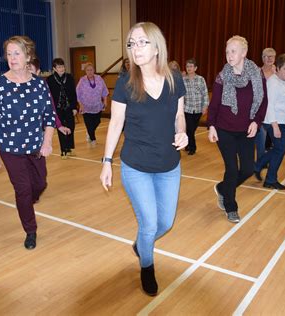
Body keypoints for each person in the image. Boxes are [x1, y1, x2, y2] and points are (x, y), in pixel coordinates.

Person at [100, 22, 187, 296]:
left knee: (166, 223)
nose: (135, 48)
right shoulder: (126, 83)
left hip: (169, 166)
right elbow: (115, 124)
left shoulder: (175, 79)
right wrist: (106, 162)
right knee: (149, 223)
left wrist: (182, 131)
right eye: (131, 43)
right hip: (136, 166)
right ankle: (147, 266)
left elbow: (179, 115)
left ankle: (142, 244)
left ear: (156, 45)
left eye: (141, 42)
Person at [0, 35, 56, 250]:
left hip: (36, 147)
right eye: (9, 54)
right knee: (23, 189)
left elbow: (49, 116)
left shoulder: (40, 84)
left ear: (28, 56)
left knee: (40, 183)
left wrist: (47, 141)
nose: (12, 58)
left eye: (17, 53)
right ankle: (30, 230)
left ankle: (28, 201)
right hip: (9, 148)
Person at [207, 35, 268, 223]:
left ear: (244, 53)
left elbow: (263, 101)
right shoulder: (222, 76)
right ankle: (230, 206)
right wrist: (211, 126)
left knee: (248, 169)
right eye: (227, 51)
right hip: (224, 129)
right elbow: (215, 104)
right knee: (232, 169)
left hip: (246, 130)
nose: (229, 55)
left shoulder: (257, 75)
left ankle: (224, 188)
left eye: (233, 51)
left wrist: (256, 121)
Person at [254, 54, 285, 190]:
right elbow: (269, 105)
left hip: (282, 121)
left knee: (279, 149)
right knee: (281, 149)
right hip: (272, 120)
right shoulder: (272, 82)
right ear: (277, 68)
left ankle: (259, 168)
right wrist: (275, 125)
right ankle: (269, 178)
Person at [46, 58, 77, 158]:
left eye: (62, 66)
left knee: (71, 126)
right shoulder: (50, 80)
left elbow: (73, 93)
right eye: (59, 67)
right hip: (57, 108)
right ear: (54, 68)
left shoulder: (69, 77)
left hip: (68, 107)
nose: (62, 68)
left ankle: (69, 147)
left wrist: (74, 107)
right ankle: (63, 150)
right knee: (61, 127)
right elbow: (48, 96)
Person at [76, 63, 108, 147]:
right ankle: (93, 139)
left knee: (97, 121)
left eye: (91, 70)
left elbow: (104, 90)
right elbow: (77, 93)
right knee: (89, 123)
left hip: (97, 105)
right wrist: (80, 104)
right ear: (85, 71)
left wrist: (105, 101)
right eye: (88, 70)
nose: (90, 72)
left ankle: (89, 132)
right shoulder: (82, 80)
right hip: (85, 106)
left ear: (94, 70)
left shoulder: (99, 78)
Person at [255, 47, 277, 162]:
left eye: (271, 56)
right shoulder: (257, 72)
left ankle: (263, 161)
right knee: (261, 140)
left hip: (273, 111)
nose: (269, 59)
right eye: (266, 56)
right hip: (260, 110)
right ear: (263, 58)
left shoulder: (277, 72)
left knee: (277, 143)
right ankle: (260, 162)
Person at [183, 58, 208, 155]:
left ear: (195, 68)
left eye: (191, 66)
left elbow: (205, 93)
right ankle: (192, 147)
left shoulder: (201, 79)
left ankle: (188, 144)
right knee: (189, 128)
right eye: (187, 66)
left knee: (192, 129)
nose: (189, 68)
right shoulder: (183, 80)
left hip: (198, 109)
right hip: (187, 108)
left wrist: (205, 106)